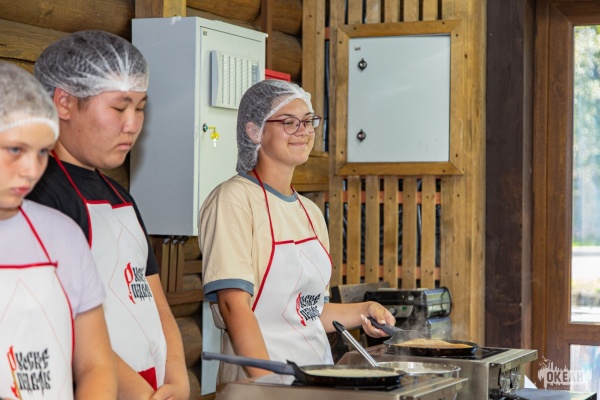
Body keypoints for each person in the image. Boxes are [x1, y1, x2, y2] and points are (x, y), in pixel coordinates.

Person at [199, 79, 396, 383]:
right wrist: (268, 384)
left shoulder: (310, 212)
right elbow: (232, 306)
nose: (303, 131)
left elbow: (308, 311)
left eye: (308, 121)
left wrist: (365, 309)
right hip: (260, 384)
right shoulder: (233, 200)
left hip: (316, 377)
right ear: (254, 131)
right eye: (289, 122)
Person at [27, 31, 189, 400]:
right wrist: (141, 395)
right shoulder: (40, 195)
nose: (132, 124)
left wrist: (177, 378)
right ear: (64, 103)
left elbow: (155, 300)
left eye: (140, 107)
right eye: (119, 108)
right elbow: (64, 323)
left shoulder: (120, 196)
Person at [0, 62, 117, 399]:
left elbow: (96, 365)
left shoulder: (62, 235)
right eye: (15, 149)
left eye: (42, 152)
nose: (31, 170)